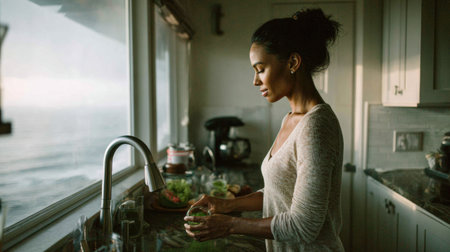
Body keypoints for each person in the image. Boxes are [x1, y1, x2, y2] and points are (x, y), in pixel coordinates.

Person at [184, 8, 344, 252]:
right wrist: (227, 205)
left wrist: (229, 224)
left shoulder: (316, 126)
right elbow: (278, 194)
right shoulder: (291, 119)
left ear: (292, 62)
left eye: (260, 69)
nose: (255, 81)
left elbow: (304, 225)